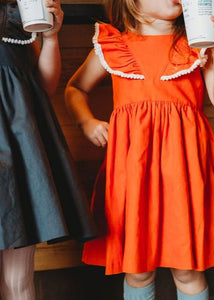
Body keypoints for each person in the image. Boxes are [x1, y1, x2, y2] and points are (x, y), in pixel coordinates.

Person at [65, 0, 214, 299]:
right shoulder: (114, 44)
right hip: (134, 174)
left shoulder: (198, 43)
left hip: (185, 175)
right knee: (137, 269)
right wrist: (85, 122)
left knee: (188, 268)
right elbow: (76, 88)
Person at [0, 0, 97, 299]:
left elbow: (44, 85)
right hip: (16, 140)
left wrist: (51, 37)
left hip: (18, 145)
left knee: (17, 279)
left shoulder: (16, 13)